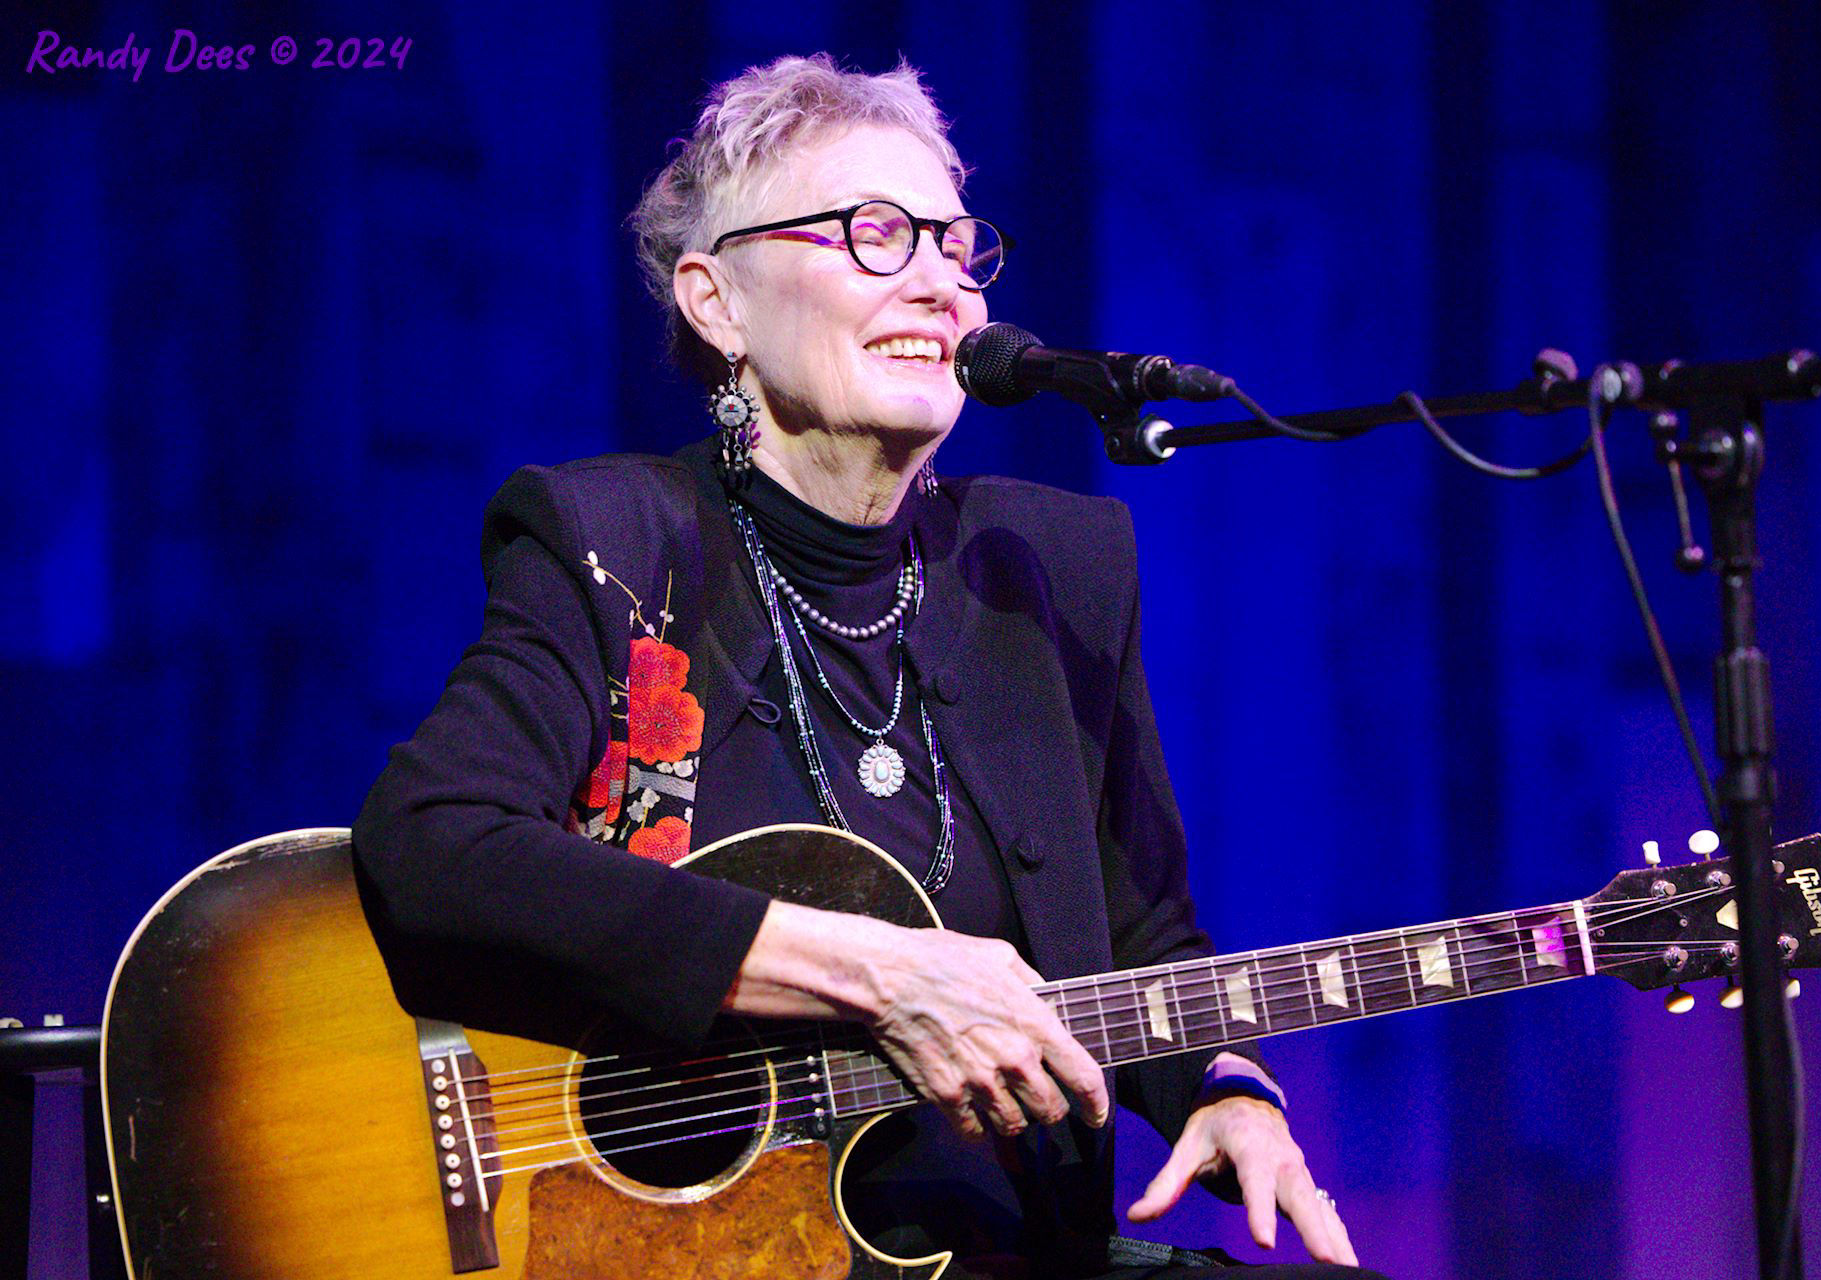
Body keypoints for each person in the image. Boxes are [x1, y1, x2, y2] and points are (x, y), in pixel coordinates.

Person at [355, 53, 1379, 1280]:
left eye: (957, 245)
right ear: (716, 302)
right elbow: (433, 845)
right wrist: (876, 973)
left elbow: (1139, 928)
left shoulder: (1049, 565)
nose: (942, 283)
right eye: (875, 232)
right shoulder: (614, 545)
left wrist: (1226, 1084)